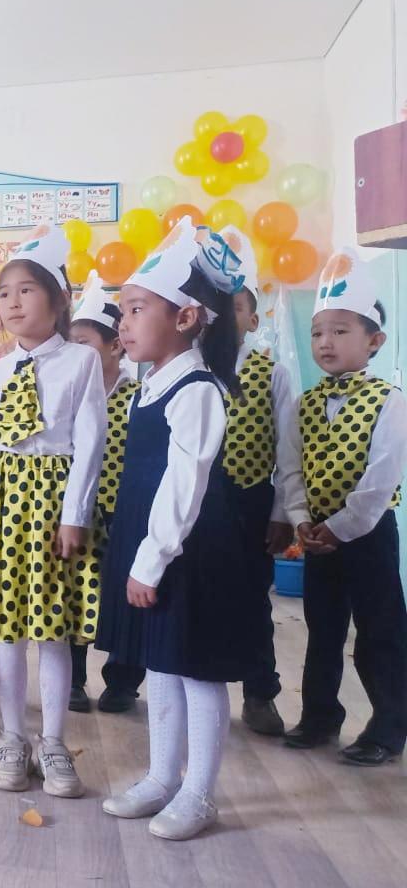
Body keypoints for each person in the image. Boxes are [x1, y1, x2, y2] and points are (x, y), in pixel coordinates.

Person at [0, 224, 105, 799]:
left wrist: (75, 514)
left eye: (27, 290)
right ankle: (12, 736)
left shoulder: (81, 361)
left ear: (59, 299)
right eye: (4, 293)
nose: (12, 302)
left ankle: (53, 742)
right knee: (6, 631)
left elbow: (90, 441)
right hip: (0, 506)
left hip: (52, 505)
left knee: (52, 633)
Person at [96, 219, 252, 841]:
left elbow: (185, 485)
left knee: (196, 668)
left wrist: (151, 559)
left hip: (187, 548)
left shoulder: (197, 389)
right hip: (152, 541)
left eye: (137, 309)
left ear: (186, 318)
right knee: (160, 663)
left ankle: (199, 794)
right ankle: (162, 777)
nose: (123, 323)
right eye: (122, 311)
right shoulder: (149, 384)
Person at [279, 248, 407, 767]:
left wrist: (342, 526)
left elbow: (381, 478)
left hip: (368, 536)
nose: (325, 343)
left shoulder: (391, 401)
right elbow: (290, 468)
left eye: (339, 331)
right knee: (323, 631)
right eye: (317, 333)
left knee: (380, 632)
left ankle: (389, 726)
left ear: (374, 341)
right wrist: (301, 522)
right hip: (317, 539)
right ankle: (319, 716)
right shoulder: (304, 404)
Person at [216, 231, 299, 736]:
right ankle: (187, 690)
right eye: (217, 308)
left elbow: (288, 449)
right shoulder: (192, 370)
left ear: (252, 319)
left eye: (237, 308)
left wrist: (282, 512)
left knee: (252, 600)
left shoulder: (274, 374)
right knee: (195, 596)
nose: (226, 317)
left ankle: (259, 693)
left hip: (251, 501)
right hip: (200, 504)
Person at [65, 273, 140, 713]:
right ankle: (73, 679)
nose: (76, 353)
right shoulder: (68, 397)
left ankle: (123, 681)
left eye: (84, 343)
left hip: (126, 513)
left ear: (115, 346)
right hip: (80, 510)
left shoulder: (139, 396)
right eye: (71, 344)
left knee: (127, 596)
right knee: (74, 593)